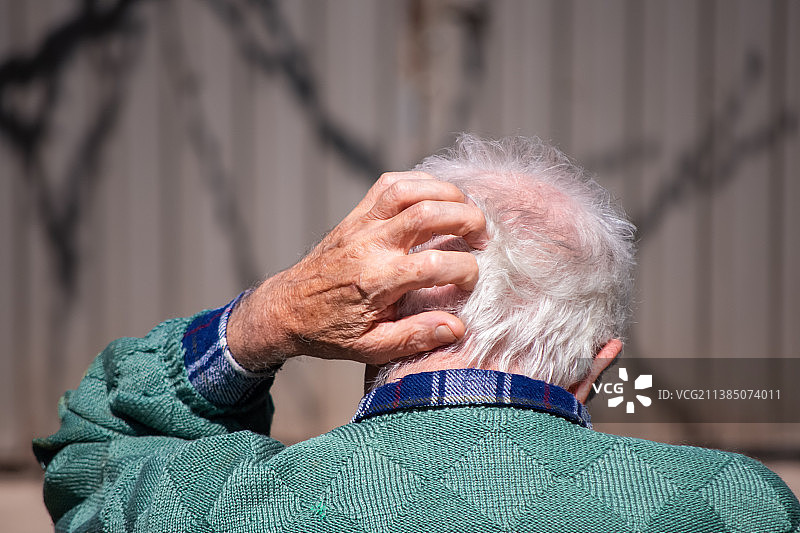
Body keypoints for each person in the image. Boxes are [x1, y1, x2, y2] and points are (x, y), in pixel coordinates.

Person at [35, 135, 798, 532]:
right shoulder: (735, 506)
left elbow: (91, 458)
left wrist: (263, 319)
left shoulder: (215, 508)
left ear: (372, 316)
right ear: (598, 365)